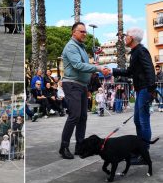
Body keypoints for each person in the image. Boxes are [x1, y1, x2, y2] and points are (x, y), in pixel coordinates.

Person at [105, 27, 156, 163]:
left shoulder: (141, 51)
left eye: (126, 35)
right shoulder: (135, 52)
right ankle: (140, 150)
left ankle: (144, 155)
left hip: (145, 89)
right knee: (138, 121)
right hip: (141, 89)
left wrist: (151, 89)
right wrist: (112, 70)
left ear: (132, 38)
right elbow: (129, 71)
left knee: (143, 121)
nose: (124, 38)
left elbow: (150, 69)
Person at [59, 22, 108, 159]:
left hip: (81, 85)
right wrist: (98, 68)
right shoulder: (71, 47)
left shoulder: (81, 47)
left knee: (83, 117)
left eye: (85, 32)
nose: (85, 34)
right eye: (82, 31)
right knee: (74, 116)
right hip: (72, 84)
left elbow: (86, 66)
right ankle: (64, 147)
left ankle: (79, 147)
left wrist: (87, 85)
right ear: (73, 32)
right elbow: (78, 65)